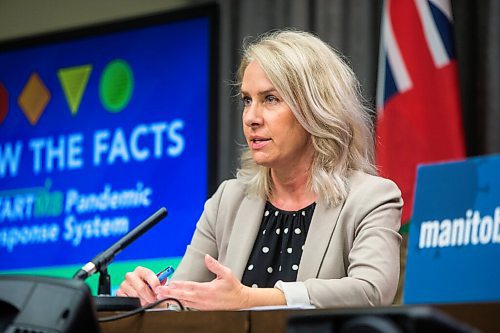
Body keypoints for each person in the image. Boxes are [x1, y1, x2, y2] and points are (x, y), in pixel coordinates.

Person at [116, 29, 403, 310]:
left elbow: (371, 291)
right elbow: (182, 302)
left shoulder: (371, 197)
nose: (251, 117)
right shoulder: (229, 200)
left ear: (315, 108)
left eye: (270, 99)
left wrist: (250, 300)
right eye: (247, 100)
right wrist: (150, 299)